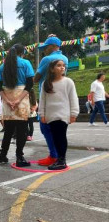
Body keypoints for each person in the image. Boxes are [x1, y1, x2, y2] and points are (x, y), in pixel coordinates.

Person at [0, 44, 34, 167]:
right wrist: (18, 100)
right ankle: (19, 157)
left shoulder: (3, 67)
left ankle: (2, 155)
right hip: (21, 97)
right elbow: (29, 85)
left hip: (7, 98)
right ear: (22, 52)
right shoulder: (26, 63)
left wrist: (7, 100)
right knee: (22, 130)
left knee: (8, 131)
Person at [34, 35, 68, 166]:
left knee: (45, 127)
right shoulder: (65, 58)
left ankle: (54, 156)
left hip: (47, 96)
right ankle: (59, 156)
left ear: (53, 46)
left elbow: (37, 78)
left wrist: (27, 84)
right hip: (61, 97)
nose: (44, 50)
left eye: (46, 47)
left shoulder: (46, 59)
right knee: (58, 128)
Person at [39, 60, 79, 170]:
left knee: (60, 136)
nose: (62, 67)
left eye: (63, 66)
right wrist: (42, 114)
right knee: (55, 138)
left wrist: (74, 114)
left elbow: (73, 98)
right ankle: (59, 159)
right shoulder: (45, 84)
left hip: (63, 115)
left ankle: (62, 160)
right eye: (59, 65)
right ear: (52, 69)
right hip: (50, 116)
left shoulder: (68, 82)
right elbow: (43, 101)